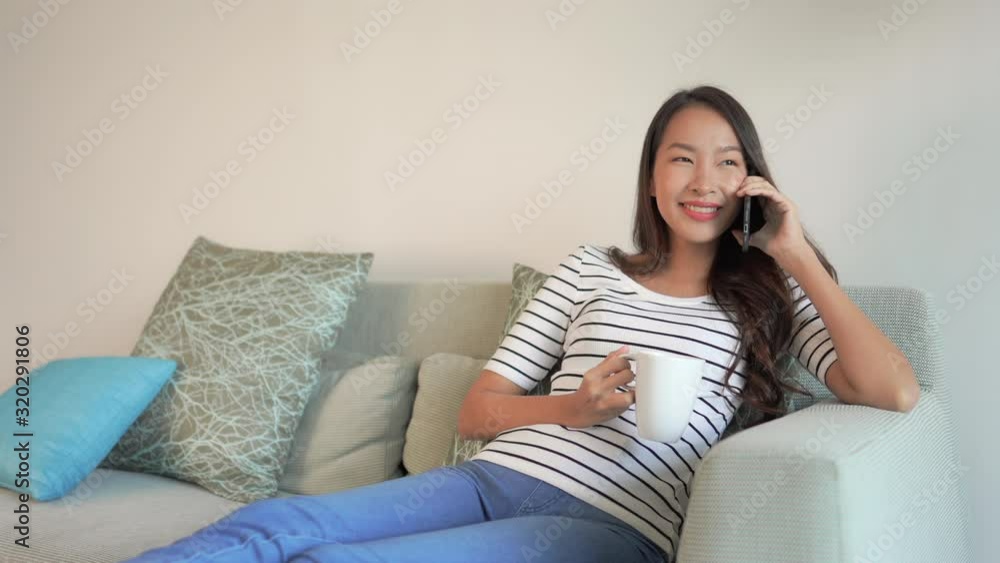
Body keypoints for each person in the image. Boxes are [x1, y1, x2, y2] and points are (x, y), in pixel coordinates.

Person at [125, 85, 919, 563]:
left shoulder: (768, 299)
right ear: (651, 179)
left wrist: (794, 250)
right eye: (682, 158)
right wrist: (571, 408)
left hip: (615, 525)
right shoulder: (589, 267)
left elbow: (896, 391)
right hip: (490, 478)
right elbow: (479, 409)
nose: (703, 179)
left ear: (751, 177)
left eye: (725, 160)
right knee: (273, 523)